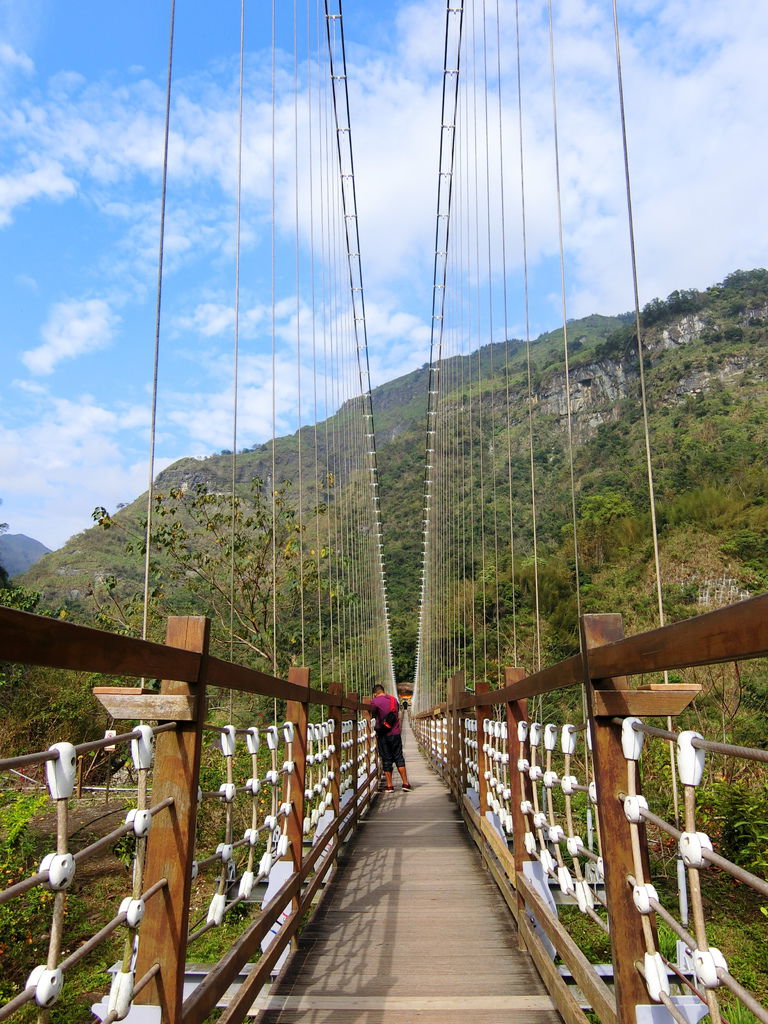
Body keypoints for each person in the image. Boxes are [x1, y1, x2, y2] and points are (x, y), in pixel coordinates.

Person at [370, 684, 411, 792]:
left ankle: (389, 786)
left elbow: (372, 714)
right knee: (399, 757)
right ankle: (405, 784)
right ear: (383, 691)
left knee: (386, 760)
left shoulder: (374, 702)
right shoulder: (394, 700)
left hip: (383, 735)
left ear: (375, 694)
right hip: (396, 733)